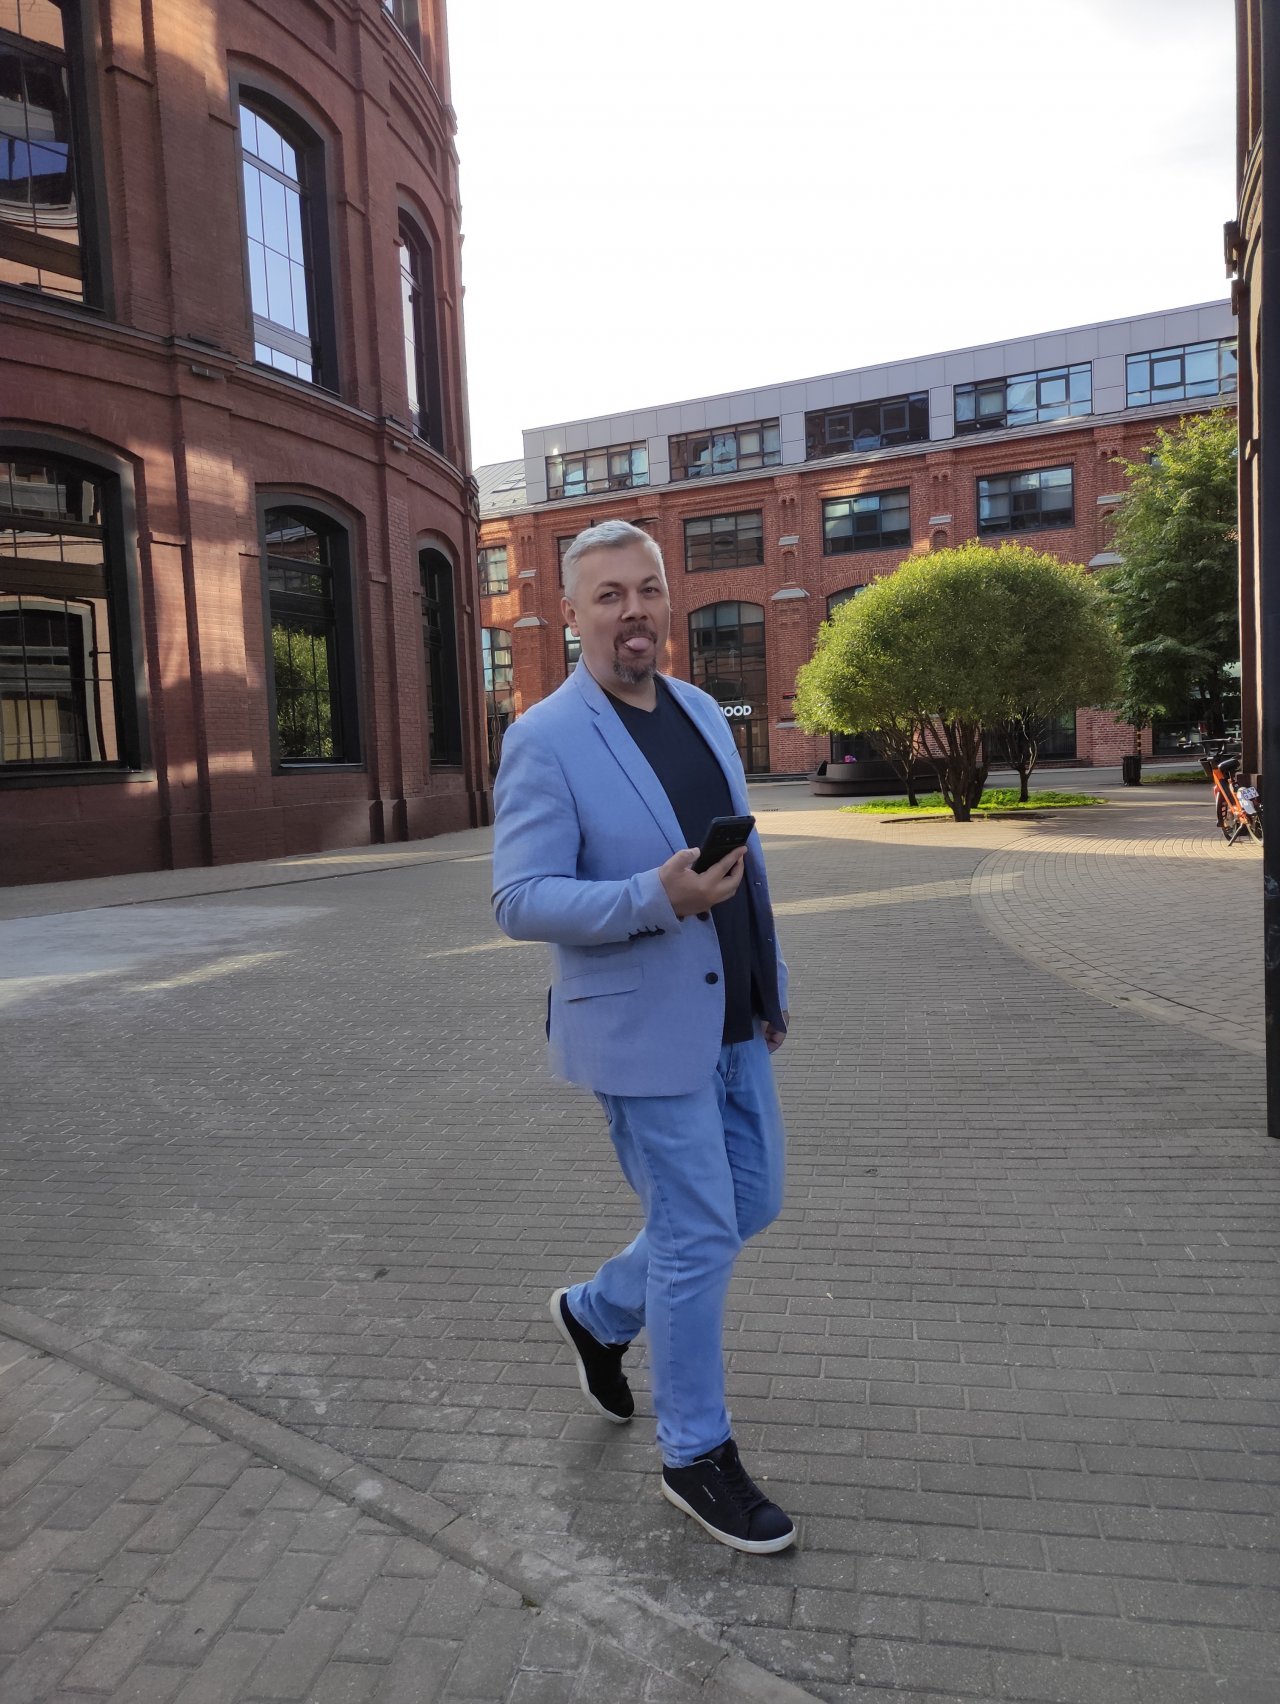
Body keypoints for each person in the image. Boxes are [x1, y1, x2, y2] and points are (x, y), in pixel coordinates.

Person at [491, 518, 795, 1554]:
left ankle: (598, 1312)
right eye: (609, 595)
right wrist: (651, 897)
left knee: (751, 1200)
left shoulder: (701, 710)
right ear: (571, 615)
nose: (633, 611)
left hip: (733, 1018)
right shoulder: (544, 738)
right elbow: (520, 898)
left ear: (668, 598)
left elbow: (746, 864)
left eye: (647, 589)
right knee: (698, 1232)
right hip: (639, 1030)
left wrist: (768, 983)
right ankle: (695, 1455)